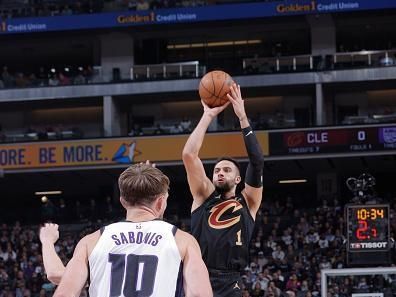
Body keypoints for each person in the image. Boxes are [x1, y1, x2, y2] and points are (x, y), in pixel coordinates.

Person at [40, 162, 213, 297]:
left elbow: (64, 290)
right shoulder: (182, 240)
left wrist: (47, 241)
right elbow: (199, 293)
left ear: (122, 201)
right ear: (160, 202)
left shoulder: (91, 241)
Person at [182, 83, 264, 297]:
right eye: (217, 170)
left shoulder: (249, 202)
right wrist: (207, 115)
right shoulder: (203, 196)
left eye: (226, 170)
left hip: (231, 280)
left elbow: (257, 162)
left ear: (238, 178)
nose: (219, 173)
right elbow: (189, 155)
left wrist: (243, 118)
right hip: (198, 274)